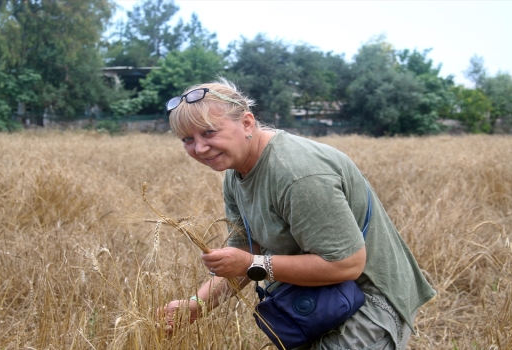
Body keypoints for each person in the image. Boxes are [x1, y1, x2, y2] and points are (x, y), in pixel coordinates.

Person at [161, 78, 436, 349]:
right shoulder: (236, 172)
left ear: (246, 123)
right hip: (316, 296)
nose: (199, 148)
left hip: (369, 298)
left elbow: (347, 264)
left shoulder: (297, 174)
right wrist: (197, 304)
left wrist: (252, 264)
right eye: (188, 139)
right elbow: (245, 249)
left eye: (209, 132)